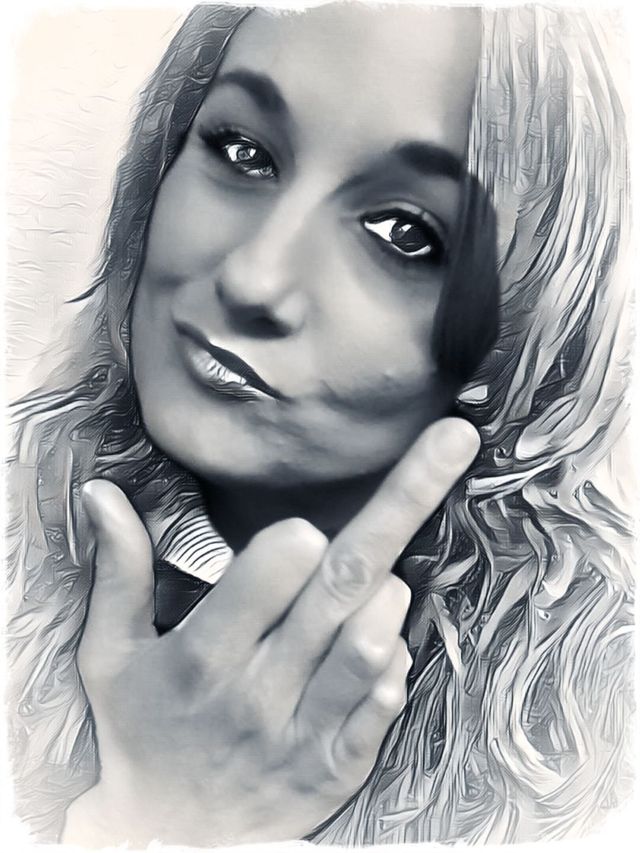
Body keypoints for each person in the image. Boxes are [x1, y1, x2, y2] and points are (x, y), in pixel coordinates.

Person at [6, 1, 633, 847]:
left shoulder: (591, 702)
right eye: (243, 151)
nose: (255, 278)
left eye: (404, 233)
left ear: (519, 338)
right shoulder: (22, 511)